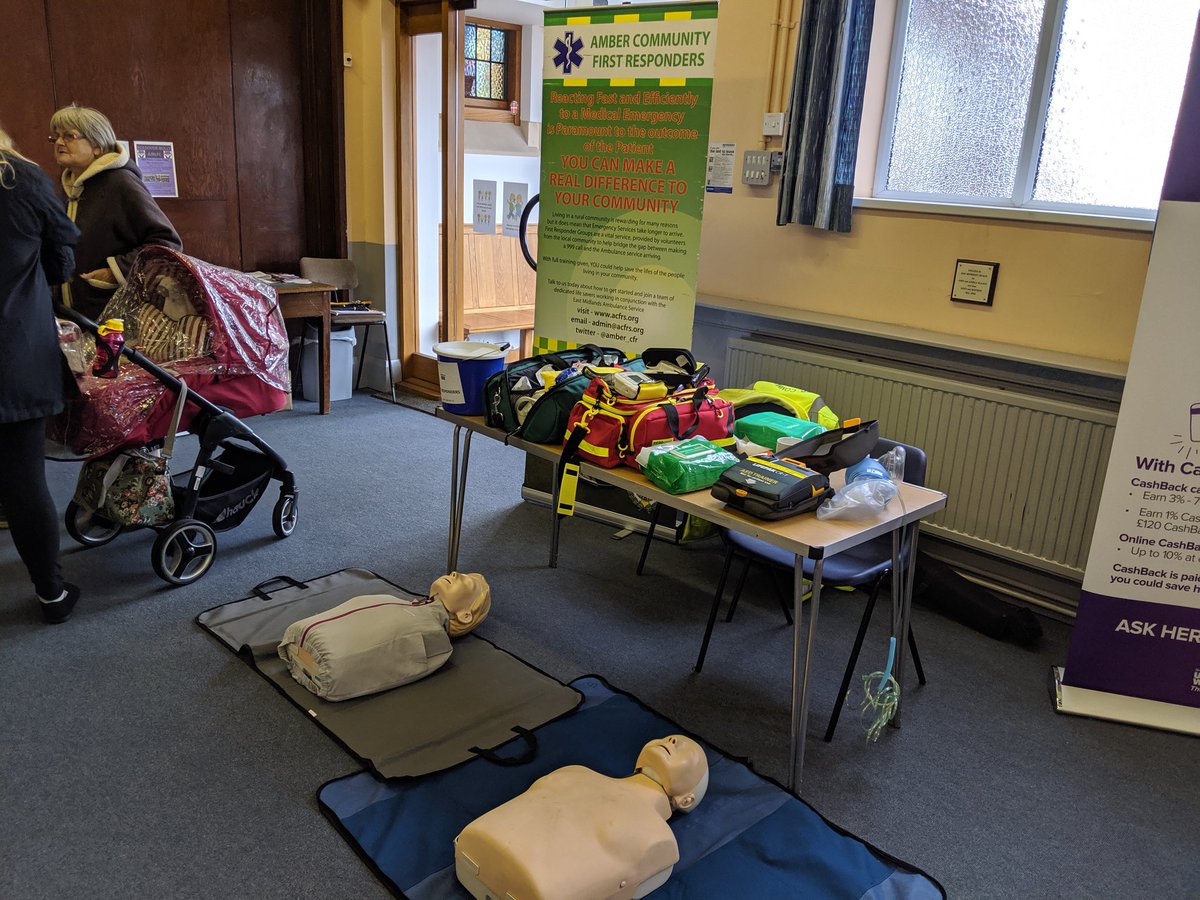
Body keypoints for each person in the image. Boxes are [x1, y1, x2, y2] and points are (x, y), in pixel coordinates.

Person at [454, 734, 709, 899]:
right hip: (483, 847)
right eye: (670, 738)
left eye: (688, 752)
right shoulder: (576, 773)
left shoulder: (657, 838)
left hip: (483, 851)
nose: (674, 741)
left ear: (688, 799)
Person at [0, 126, 83, 623]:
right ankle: (51, 594)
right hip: (12, 350)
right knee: (26, 478)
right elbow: (61, 252)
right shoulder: (20, 179)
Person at [49, 105, 181, 321]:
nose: (59, 143)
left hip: (115, 318)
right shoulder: (64, 187)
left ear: (97, 146)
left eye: (69, 136)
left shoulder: (120, 183)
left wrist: (116, 271)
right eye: (55, 137)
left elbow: (167, 242)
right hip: (72, 317)